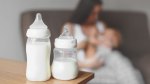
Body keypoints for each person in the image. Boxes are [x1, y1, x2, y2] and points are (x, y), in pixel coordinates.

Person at [63, 0, 144, 84]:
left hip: (104, 63)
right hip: (83, 68)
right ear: (84, 11)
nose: (96, 17)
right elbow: (63, 56)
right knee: (130, 74)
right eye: (93, 13)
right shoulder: (70, 27)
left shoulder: (100, 25)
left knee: (122, 65)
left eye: (98, 13)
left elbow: (112, 43)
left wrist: (110, 41)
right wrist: (87, 60)